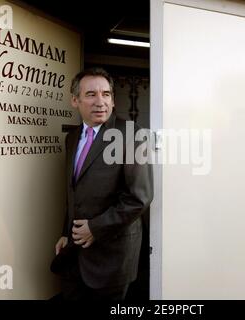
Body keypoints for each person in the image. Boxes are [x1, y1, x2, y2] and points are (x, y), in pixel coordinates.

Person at [53, 67, 153, 301]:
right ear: (75, 100)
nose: (101, 102)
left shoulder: (131, 135)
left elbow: (139, 197)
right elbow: (74, 192)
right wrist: (65, 233)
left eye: (106, 94)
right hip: (74, 257)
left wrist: (95, 228)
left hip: (112, 258)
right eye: (91, 94)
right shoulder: (72, 138)